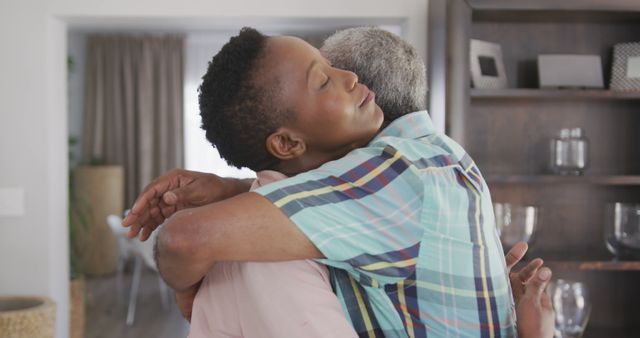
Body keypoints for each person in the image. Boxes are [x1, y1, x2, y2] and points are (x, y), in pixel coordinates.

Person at [124, 27, 554, 337]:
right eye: (325, 78)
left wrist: (187, 293)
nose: (352, 80)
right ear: (288, 142)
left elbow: (184, 240)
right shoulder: (424, 165)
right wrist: (229, 189)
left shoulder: (402, 172)